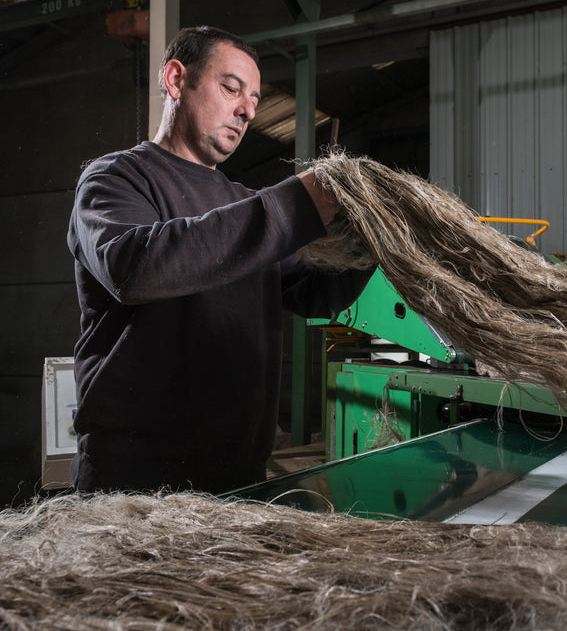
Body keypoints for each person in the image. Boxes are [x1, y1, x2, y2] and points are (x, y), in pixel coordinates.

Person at [67, 26, 373, 494]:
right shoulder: (115, 179)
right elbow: (136, 268)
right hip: (135, 479)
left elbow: (314, 293)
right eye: (231, 88)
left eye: (253, 97)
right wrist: (297, 204)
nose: (247, 109)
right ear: (175, 80)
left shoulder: (243, 202)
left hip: (237, 473)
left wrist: (369, 242)